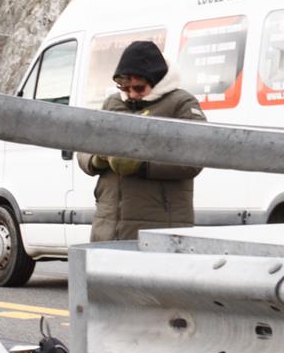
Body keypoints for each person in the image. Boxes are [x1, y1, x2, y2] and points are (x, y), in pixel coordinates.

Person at [76, 41, 204, 241]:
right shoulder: (112, 103)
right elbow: (83, 146)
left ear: (158, 80)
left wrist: (142, 164)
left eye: (139, 87)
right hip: (107, 227)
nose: (132, 94)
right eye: (126, 88)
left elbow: (196, 156)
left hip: (158, 230)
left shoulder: (181, 104)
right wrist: (96, 158)